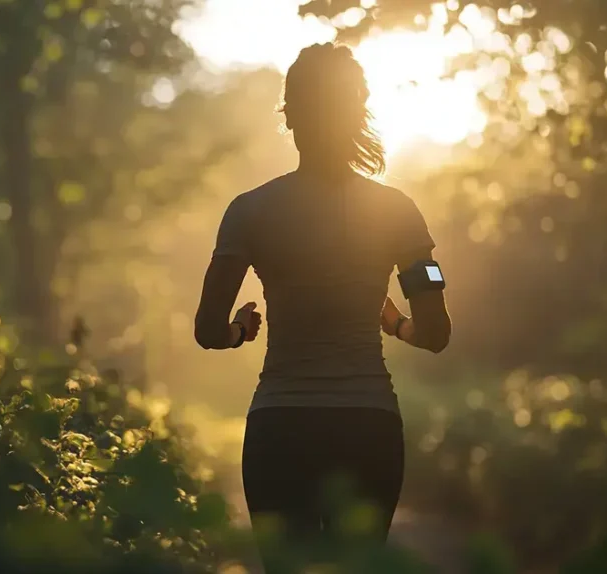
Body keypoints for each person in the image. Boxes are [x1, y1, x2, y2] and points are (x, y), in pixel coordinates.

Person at [193, 42, 452, 571]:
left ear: (288, 118)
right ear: (358, 113)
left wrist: (242, 329)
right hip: (368, 428)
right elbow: (436, 330)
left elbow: (207, 329)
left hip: (280, 428)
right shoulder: (398, 213)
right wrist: (396, 322)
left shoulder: (248, 212)